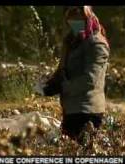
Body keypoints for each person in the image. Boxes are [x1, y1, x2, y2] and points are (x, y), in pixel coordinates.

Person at [34, 6, 110, 144]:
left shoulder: (96, 44)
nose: (74, 22)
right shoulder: (70, 42)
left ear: (87, 17)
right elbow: (62, 71)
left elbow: (90, 80)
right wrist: (48, 86)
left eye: (78, 18)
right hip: (71, 109)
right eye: (71, 19)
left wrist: (63, 87)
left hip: (88, 111)